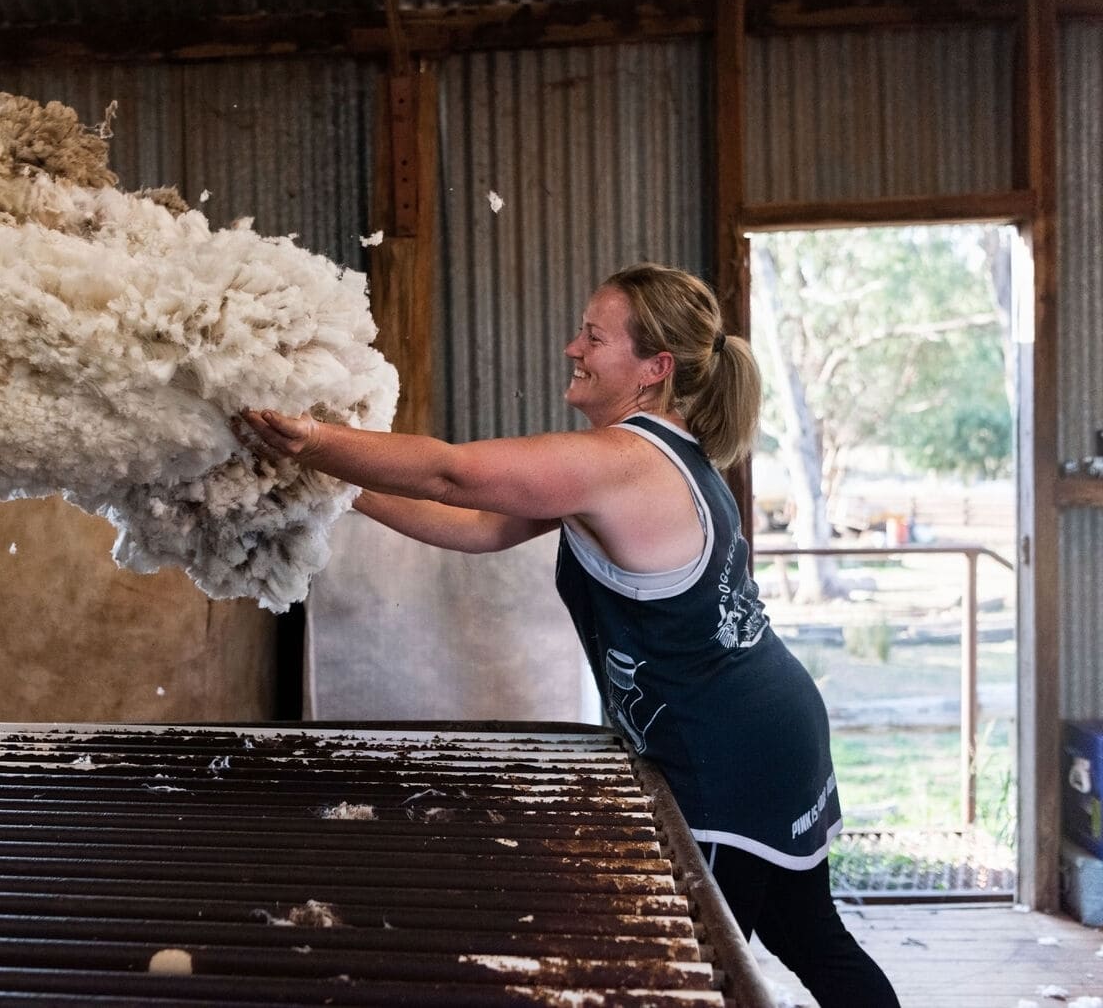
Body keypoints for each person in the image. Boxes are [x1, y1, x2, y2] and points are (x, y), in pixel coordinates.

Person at [236, 263, 898, 1007]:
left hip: (724, 754)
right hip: (769, 728)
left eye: (593, 335)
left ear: (655, 368)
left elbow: (451, 475)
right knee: (809, 937)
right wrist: (339, 487)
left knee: (681, 976)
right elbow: (480, 526)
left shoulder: (624, 461)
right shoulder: (649, 458)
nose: (571, 348)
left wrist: (313, 441)